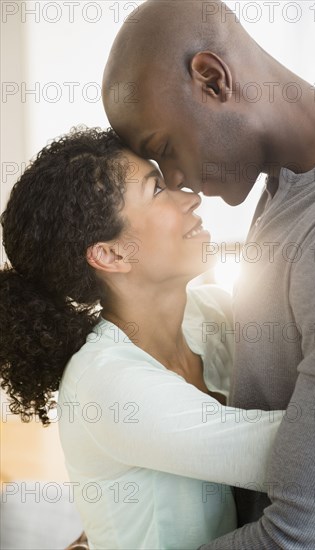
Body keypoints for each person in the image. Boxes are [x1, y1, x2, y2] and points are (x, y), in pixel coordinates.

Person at [102, 1, 315, 547]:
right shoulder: (289, 187)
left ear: (212, 78)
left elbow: (309, 537)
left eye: (165, 151)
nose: (181, 184)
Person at [0, 127, 287, 549]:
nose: (191, 197)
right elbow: (296, 453)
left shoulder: (211, 313)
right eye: (157, 191)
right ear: (111, 254)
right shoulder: (108, 386)